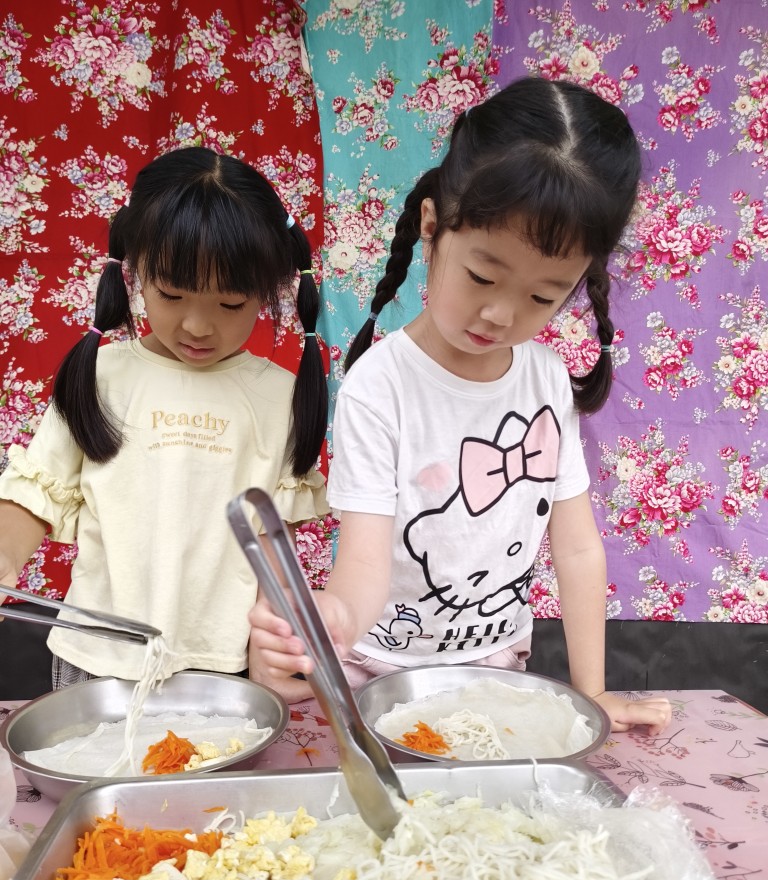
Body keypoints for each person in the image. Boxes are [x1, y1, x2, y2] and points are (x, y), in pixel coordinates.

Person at [249, 75, 672, 735]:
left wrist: (593, 693)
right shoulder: (379, 386)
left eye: (543, 297)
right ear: (432, 227)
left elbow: (578, 550)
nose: (500, 314)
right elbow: (364, 563)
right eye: (482, 275)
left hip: (498, 671)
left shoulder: (546, 380)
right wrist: (335, 617)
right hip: (378, 674)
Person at [0, 146, 329, 689]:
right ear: (136, 272)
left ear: (268, 293)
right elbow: (36, 493)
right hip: (96, 658)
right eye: (172, 294)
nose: (197, 325)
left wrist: (274, 645)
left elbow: (275, 542)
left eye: (230, 304)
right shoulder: (99, 375)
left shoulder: (277, 396)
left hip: (222, 664)